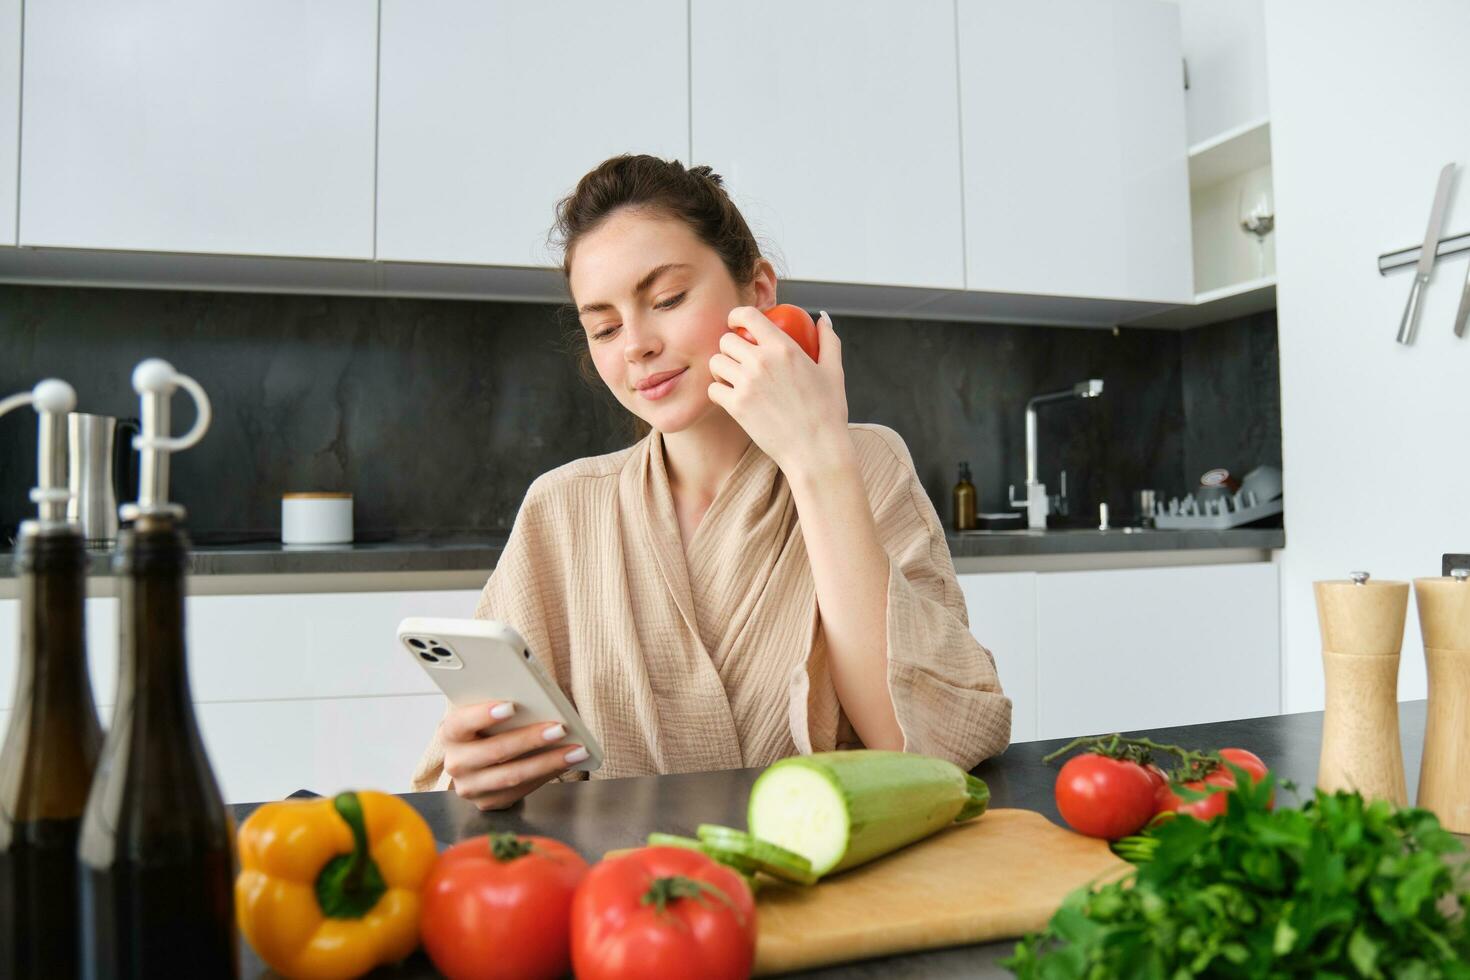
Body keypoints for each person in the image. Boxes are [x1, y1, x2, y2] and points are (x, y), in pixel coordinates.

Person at [413, 154, 1011, 810]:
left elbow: (924, 752)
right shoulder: (562, 509)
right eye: (604, 327)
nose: (636, 343)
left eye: (667, 298)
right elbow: (492, 774)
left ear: (758, 291)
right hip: (633, 894)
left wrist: (817, 461)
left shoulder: (865, 464)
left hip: (836, 886)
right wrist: (482, 769)